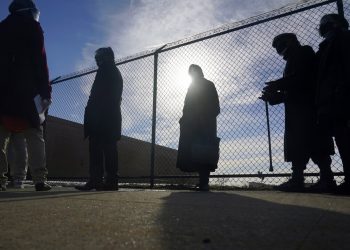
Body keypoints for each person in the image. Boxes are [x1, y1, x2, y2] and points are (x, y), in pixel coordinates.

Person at [261, 33, 335, 192]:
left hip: (308, 107)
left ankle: (325, 179)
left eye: (280, 45)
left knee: (314, 142)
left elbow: (304, 79)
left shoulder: (304, 52)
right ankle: (299, 179)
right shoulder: (293, 59)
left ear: (291, 41)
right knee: (299, 144)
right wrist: (274, 97)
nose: (279, 50)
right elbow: (294, 88)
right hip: (297, 109)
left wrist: (278, 85)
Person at [0, 0, 51, 191]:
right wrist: (45, 92)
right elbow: (41, 61)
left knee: (1, 135)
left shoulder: (2, 28)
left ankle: (0, 179)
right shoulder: (33, 28)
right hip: (28, 91)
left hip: (3, 92)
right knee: (35, 134)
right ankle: (39, 179)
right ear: (29, 11)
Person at [75, 47, 123, 191]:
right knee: (106, 149)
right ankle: (107, 180)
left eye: (99, 57)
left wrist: (93, 116)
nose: (97, 60)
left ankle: (102, 180)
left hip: (102, 118)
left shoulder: (106, 70)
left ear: (107, 57)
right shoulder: (111, 71)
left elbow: (98, 96)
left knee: (101, 149)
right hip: (107, 117)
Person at [315, 14, 350, 194]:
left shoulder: (343, 38)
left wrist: (341, 91)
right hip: (333, 100)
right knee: (342, 138)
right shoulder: (329, 44)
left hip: (340, 98)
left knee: (345, 138)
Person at [176, 64, 220, 191]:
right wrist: (184, 118)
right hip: (196, 123)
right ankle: (203, 181)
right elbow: (187, 106)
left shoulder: (205, 85)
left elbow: (215, 107)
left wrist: (201, 117)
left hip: (202, 124)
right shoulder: (196, 86)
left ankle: (204, 182)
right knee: (200, 150)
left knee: (202, 149)